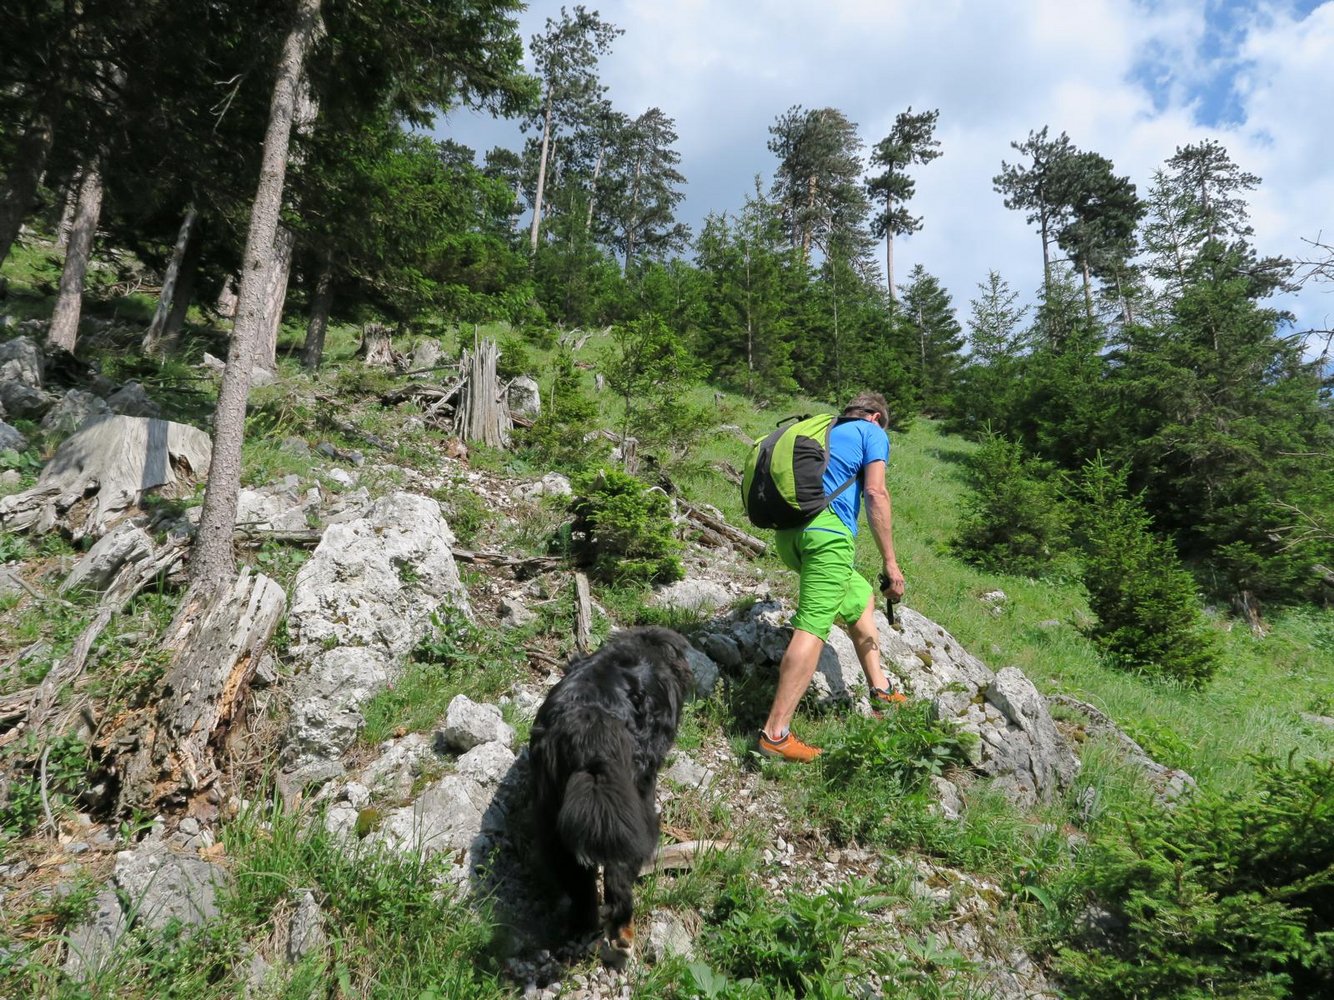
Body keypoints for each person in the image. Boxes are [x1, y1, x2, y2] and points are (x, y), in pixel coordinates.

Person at [757, 391, 907, 762]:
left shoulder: (824, 430)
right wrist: (890, 563)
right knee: (813, 626)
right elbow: (876, 492)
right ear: (875, 417)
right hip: (827, 537)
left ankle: (881, 690)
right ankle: (775, 735)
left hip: (789, 535)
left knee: (859, 595)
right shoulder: (871, 432)